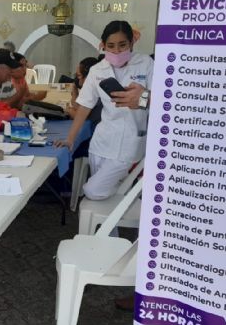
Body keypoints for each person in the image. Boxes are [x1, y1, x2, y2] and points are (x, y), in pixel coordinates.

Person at [56, 20, 154, 201]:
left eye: (122, 45)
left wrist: (144, 98)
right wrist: (70, 139)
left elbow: (165, 99)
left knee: (94, 191)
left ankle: (111, 201)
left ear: (132, 42)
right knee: (108, 199)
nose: (116, 51)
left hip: (130, 143)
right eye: (111, 46)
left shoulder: (146, 64)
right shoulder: (96, 70)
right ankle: (107, 228)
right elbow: (85, 106)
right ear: (103, 46)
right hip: (101, 143)